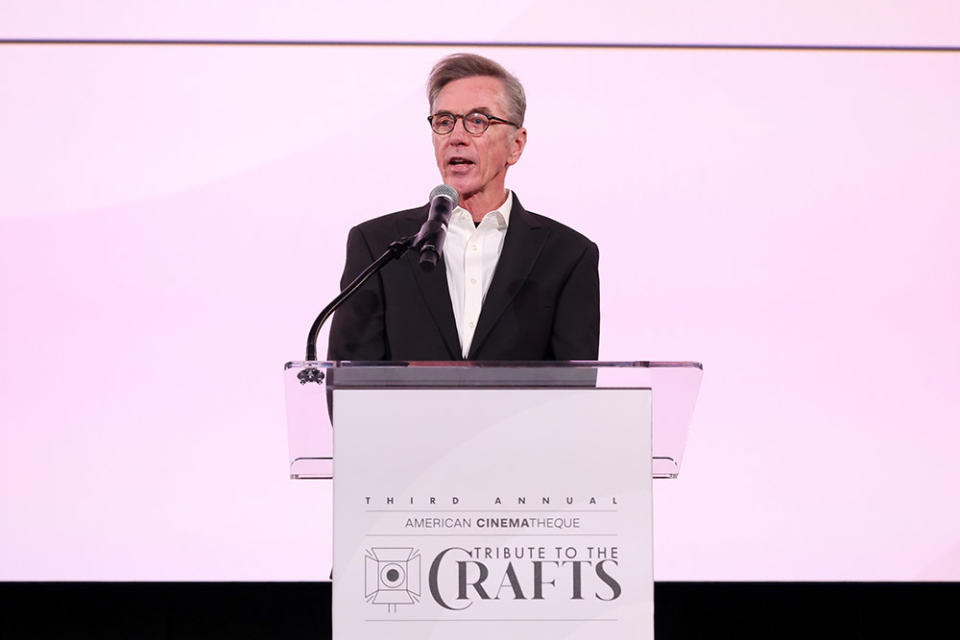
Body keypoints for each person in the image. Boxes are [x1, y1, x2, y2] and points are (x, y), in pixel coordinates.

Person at [327, 53, 599, 361]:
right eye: (444, 122)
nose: (456, 136)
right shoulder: (379, 246)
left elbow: (574, 395)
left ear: (516, 145)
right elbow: (347, 386)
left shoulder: (567, 255)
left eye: (477, 121)